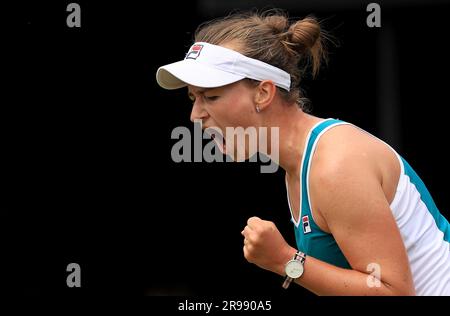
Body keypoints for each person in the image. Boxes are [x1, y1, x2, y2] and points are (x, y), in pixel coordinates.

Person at [155, 10, 450, 295]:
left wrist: (285, 260)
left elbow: (395, 292)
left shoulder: (335, 166)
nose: (195, 115)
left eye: (211, 96)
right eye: (193, 97)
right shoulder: (300, 166)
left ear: (263, 93)